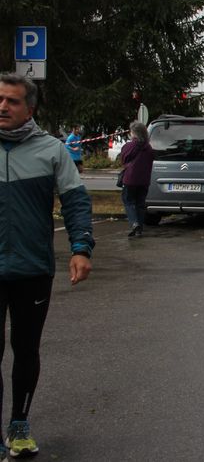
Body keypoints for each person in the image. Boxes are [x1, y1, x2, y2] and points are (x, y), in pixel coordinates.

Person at [0, 73, 94, 459]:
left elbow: (76, 201)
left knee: (25, 350)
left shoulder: (51, 150)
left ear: (30, 109)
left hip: (32, 269)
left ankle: (19, 425)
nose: (3, 106)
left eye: (12, 101)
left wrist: (81, 248)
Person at [120, 120, 154, 237]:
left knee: (128, 201)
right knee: (140, 203)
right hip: (144, 180)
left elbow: (123, 160)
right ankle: (139, 228)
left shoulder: (128, 146)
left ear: (134, 133)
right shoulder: (149, 148)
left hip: (130, 179)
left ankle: (134, 223)